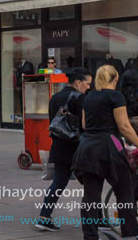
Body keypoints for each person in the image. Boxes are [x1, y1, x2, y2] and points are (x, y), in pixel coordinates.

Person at [72, 64, 138, 240]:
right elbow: (124, 126)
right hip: (109, 146)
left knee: (91, 197)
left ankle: (90, 236)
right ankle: (129, 234)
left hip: (87, 149)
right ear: (115, 79)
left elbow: (84, 125)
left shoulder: (88, 96)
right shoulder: (116, 96)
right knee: (125, 193)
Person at [34, 67, 92, 232]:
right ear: (78, 82)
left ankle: (44, 217)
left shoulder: (55, 97)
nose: (89, 87)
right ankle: (98, 219)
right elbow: (85, 124)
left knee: (58, 182)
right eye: (87, 83)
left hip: (59, 145)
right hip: (77, 147)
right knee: (92, 184)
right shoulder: (80, 98)